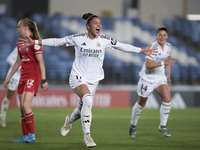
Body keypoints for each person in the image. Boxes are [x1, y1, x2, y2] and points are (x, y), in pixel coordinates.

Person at [19, 13, 157, 148]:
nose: (99, 25)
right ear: (88, 26)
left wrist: (142, 50)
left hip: (94, 80)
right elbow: (57, 41)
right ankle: (87, 136)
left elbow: (122, 46)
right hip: (77, 77)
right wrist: (36, 41)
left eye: (100, 23)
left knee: (81, 109)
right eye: (95, 23)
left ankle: (69, 120)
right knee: (88, 100)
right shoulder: (78, 38)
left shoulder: (104, 40)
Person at [3, 18, 49, 143]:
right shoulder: (20, 43)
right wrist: (8, 78)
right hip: (22, 77)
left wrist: (44, 80)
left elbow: (41, 62)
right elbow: (18, 62)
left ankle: (32, 136)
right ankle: (25, 136)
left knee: (25, 105)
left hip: (33, 77)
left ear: (26, 28)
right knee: (22, 108)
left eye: (19, 27)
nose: (17, 29)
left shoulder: (35, 42)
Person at [129, 27, 175, 138]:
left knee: (167, 99)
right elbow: (149, 65)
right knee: (141, 104)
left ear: (167, 37)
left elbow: (168, 62)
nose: (162, 37)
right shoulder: (153, 48)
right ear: (156, 36)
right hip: (147, 79)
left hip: (160, 77)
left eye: (164, 35)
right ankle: (133, 125)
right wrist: (164, 62)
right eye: (160, 35)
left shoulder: (169, 47)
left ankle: (163, 126)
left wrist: (168, 76)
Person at [1, 47, 20, 127]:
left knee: (24, 98)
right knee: (9, 97)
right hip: (14, 76)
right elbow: (9, 59)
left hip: (25, 76)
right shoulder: (19, 47)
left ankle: (23, 118)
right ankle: (2, 116)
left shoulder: (33, 48)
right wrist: (18, 67)